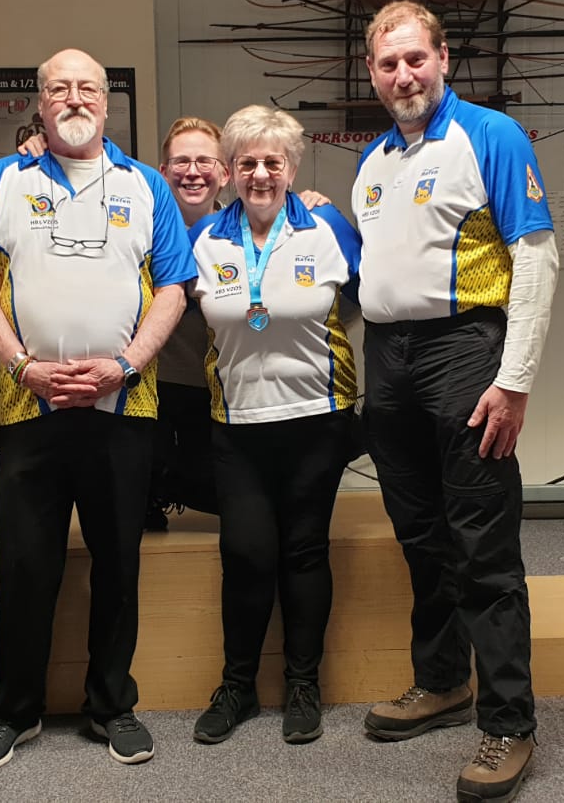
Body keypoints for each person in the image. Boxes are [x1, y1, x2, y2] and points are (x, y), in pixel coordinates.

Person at [0, 48, 197, 770]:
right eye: (59, 86)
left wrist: (125, 364)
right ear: (39, 101)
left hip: (124, 406)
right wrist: (22, 368)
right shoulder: (0, 180)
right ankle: (14, 710)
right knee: (25, 564)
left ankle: (111, 704)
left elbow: (176, 287)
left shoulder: (144, 183)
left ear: (106, 100)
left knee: (118, 562)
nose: (74, 97)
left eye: (86, 86)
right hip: (30, 406)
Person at [352, 0, 559, 803]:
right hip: (390, 360)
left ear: (443, 59)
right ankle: (441, 682)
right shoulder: (373, 162)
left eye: (414, 58)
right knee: (422, 538)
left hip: (465, 351)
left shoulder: (491, 136)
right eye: (386, 63)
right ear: (371, 74)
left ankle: (510, 724)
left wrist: (514, 380)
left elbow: (536, 260)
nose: (402, 74)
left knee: (483, 547)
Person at [20, 118, 334, 530]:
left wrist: (299, 200)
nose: (192, 171)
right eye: (180, 162)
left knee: (241, 501)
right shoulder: (136, 224)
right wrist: (49, 150)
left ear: (225, 172)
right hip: (151, 387)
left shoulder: (249, 226)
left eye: (205, 161)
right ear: (163, 172)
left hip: (222, 391)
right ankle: (157, 491)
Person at [185, 105, 361, 746]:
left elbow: (377, 300)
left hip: (317, 419)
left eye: (273, 162)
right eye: (248, 163)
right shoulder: (205, 238)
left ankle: (302, 685)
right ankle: (236, 688)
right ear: (229, 172)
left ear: (292, 167)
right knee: (246, 553)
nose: (260, 173)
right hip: (238, 424)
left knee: (304, 551)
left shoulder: (328, 226)